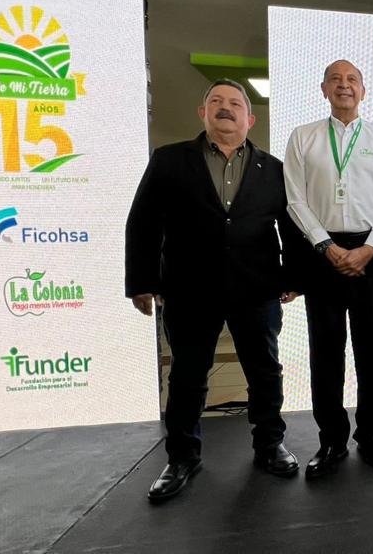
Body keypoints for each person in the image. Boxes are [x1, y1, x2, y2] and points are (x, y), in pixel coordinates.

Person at [126, 79, 306, 502]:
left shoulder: (274, 169)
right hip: (189, 288)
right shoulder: (170, 161)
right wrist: (142, 282)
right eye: (216, 102)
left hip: (257, 287)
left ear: (250, 118)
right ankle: (182, 457)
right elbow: (144, 223)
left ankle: (269, 445)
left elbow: (291, 227)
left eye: (235, 104)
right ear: (202, 112)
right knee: (188, 375)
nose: (226, 108)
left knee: (265, 372)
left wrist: (294, 278)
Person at [283, 60, 373, 478]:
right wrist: (326, 245)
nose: (344, 86)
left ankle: (370, 433)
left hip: (372, 252)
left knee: (370, 349)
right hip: (323, 252)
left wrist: (370, 248)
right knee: (326, 350)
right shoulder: (304, 137)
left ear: (363, 90)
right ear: (323, 89)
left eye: (352, 79)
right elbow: (295, 199)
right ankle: (332, 439)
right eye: (336, 80)